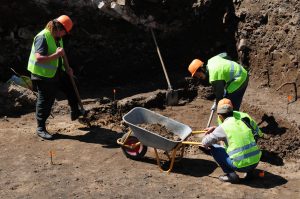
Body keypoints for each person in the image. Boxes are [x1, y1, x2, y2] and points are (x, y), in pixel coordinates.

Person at [27, 15, 83, 140]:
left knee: (72, 83)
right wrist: (57, 54)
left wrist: (66, 69)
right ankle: (41, 128)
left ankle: (75, 110)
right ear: (59, 28)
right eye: (64, 32)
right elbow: (39, 59)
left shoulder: (57, 37)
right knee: (46, 100)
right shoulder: (42, 37)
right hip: (42, 75)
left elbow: (60, 57)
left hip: (56, 72)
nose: (64, 35)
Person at [201, 98, 263, 183]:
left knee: (214, 148)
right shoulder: (242, 121)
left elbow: (205, 142)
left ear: (219, 116)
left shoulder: (223, 127)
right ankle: (250, 173)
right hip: (256, 162)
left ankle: (231, 175)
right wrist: (216, 129)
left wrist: (215, 133)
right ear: (232, 111)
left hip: (241, 166)